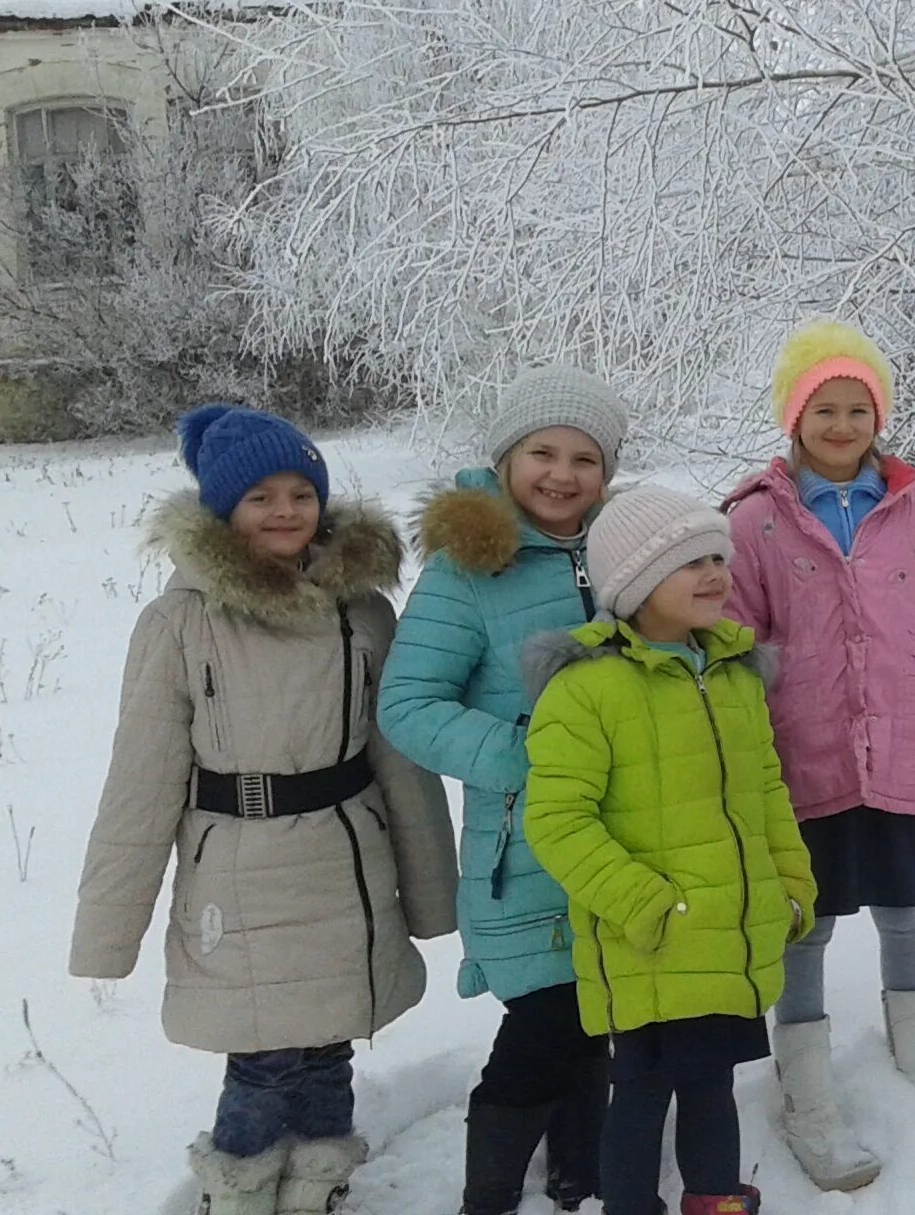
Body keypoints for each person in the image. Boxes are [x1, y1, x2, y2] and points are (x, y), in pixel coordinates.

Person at [70, 405, 456, 1215]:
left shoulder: (363, 612)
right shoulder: (182, 622)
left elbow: (401, 761)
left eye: (299, 492)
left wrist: (430, 892)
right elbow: (140, 780)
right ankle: (240, 1192)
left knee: (330, 1046)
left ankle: (319, 1184)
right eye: (259, 498)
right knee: (262, 1058)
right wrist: (108, 930)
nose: (285, 511)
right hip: (240, 874)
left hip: (348, 864)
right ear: (221, 511)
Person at [722, 320, 915, 1190]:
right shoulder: (756, 520)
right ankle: (808, 1088)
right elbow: (737, 631)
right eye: (823, 409)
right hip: (806, 757)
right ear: (793, 421)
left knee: (905, 907)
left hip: (904, 748)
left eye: (857, 409)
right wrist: (757, 709)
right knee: (810, 919)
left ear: (879, 419)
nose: (841, 425)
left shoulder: (914, 512)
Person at [521, 485, 816, 1215]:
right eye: (692, 562)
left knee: (712, 1080)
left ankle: (716, 1201)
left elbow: (767, 793)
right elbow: (558, 821)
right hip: (648, 941)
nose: (716, 573)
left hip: (728, 933)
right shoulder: (587, 689)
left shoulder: (734, 676)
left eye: (719, 556)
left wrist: (792, 887)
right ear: (634, 583)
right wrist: (646, 906)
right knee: (644, 1090)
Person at [379, 364, 631, 1215]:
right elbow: (410, 704)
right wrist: (535, 754)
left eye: (585, 459)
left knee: (603, 1002)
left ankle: (579, 1175)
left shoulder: (627, 547)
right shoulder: (468, 571)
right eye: (543, 453)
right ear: (507, 457)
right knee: (544, 1018)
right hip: (524, 840)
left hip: (628, 828)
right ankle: (486, 1196)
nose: (562, 475)